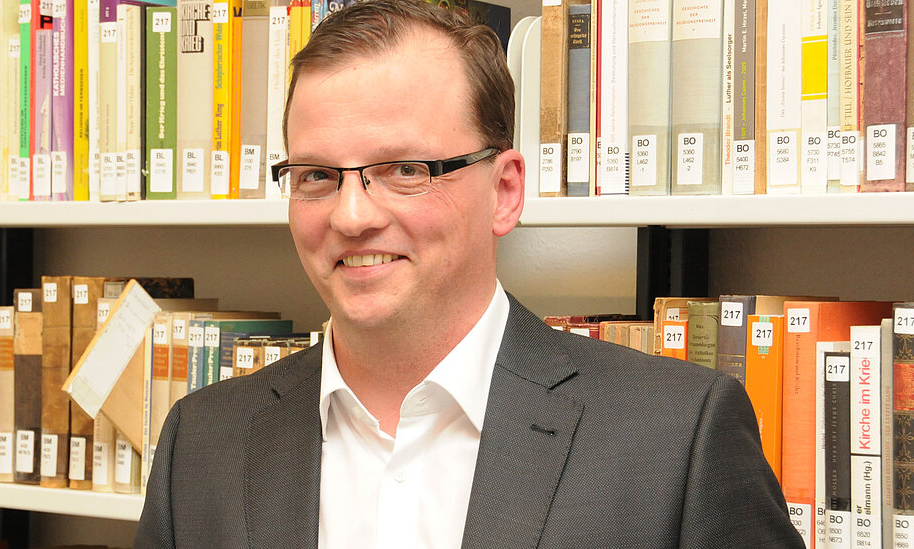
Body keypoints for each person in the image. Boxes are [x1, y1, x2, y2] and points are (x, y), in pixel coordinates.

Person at [135, 0, 803, 547]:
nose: (351, 215)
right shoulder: (202, 443)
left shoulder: (675, 437)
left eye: (405, 170)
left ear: (505, 191)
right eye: (316, 176)